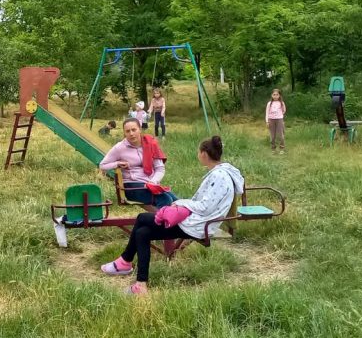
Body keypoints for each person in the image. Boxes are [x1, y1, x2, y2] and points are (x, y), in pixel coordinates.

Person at [101, 136, 244, 295]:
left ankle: (125, 264)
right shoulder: (221, 172)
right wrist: (184, 204)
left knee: (142, 218)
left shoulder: (219, 176)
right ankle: (139, 282)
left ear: (204, 154)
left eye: (198, 152)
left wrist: (182, 203)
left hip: (197, 224)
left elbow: (205, 207)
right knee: (142, 233)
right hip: (197, 221)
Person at [99, 118, 176, 209]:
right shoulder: (119, 148)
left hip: (150, 184)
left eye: (134, 130)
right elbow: (102, 165)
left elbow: (160, 168)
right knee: (165, 199)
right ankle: (160, 222)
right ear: (124, 133)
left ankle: (169, 221)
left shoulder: (150, 143)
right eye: (127, 131)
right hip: (131, 186)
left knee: (177, 201)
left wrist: (153, 182)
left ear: (140, 129)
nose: (131, 134)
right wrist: (118, 164)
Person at [265, 88, 286, 154]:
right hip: (271, 120)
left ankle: (281, 148)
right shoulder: (269, 103)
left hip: (279, 120)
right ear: (272, 95)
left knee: (281, 135)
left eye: (277, 95)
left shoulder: (281, 103)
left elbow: (284, 110)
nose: (275, 96)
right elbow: (267, 112)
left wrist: (280, 115)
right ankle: (273, 148)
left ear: (279, 95)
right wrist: (267, 121)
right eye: (274, 94)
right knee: (272, 136)